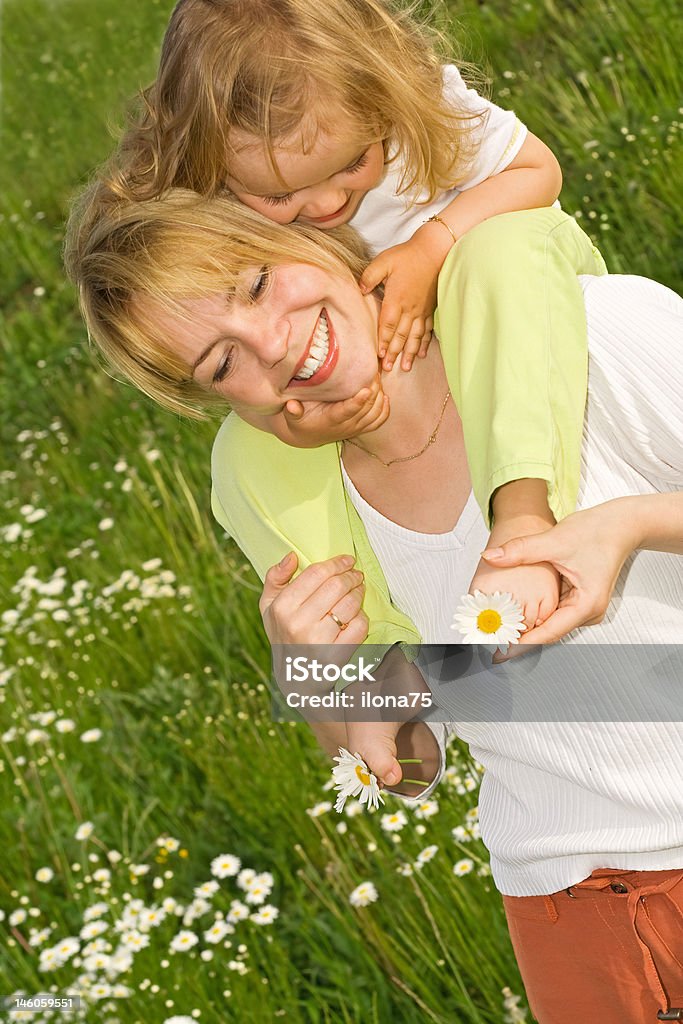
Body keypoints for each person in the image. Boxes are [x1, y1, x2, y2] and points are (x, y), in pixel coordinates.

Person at [65, 186, 683, 1024]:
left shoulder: (593, 332)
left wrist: (632, 524)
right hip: (566, 914)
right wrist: (317, 683)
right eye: (220, 363)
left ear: (306, 230)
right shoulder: (307, 518)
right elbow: (408, 759)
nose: (272, 344)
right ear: (220, 405)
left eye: (253, 285)